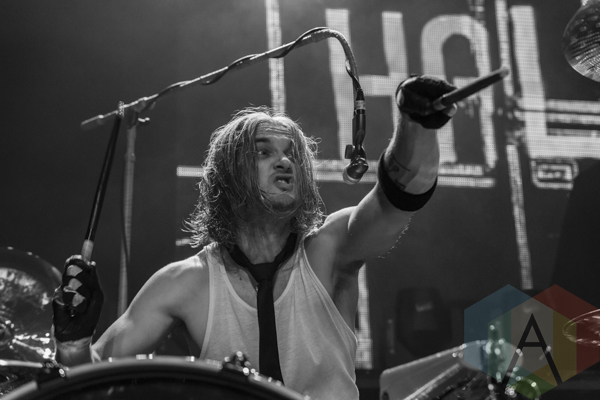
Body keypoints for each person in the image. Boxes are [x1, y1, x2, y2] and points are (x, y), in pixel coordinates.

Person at [52, 75, 457, 400]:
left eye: (292, 154)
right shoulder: (185, 282)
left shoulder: (330, 249)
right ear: (228, 174)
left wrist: (417, 125)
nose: (284, 162)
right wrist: (74, 342)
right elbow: (89, 381)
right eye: (264, 152)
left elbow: (394, 201)